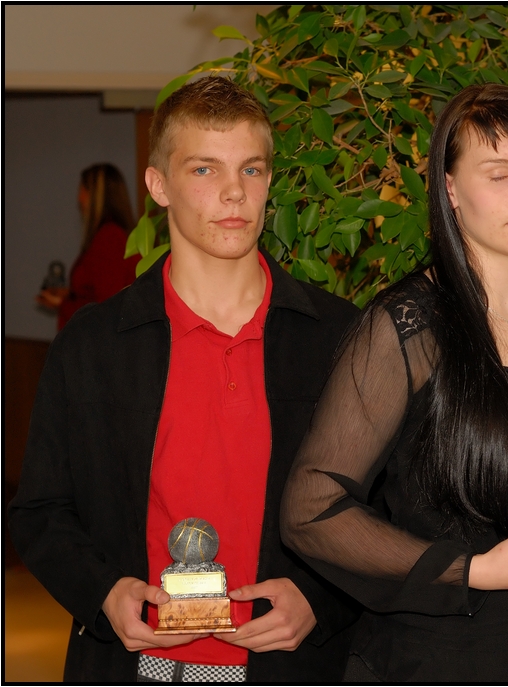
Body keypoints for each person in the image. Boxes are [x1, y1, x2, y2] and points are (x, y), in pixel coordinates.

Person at [279, 83, 508, 682]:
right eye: (499, 175)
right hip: (437, 659)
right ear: (450, 189)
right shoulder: (409, 326)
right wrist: (480, 570)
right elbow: (310, 508)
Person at [8, 76, 359, 683]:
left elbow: (386, 503)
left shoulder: (340, 336)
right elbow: (40, 511)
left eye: (251, 169)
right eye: (203, 169)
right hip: (134, 666)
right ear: (158, 185)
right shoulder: (93, 344)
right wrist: (103, 591)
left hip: (294, 666)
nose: (233, 191)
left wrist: (321, 598)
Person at [35, 163, 141, 330]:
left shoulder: (110, 238)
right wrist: (70, 295)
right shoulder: (112, 235)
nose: (79, 199)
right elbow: (99, 291)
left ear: (96, 196)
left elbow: (107, 306)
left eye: (82, 190)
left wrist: (62, 304)